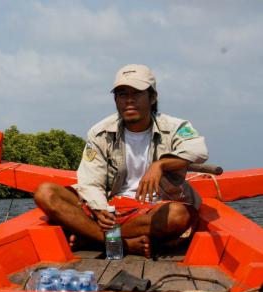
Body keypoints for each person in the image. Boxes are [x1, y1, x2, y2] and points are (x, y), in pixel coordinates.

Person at [34, 64, 208, 258]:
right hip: (111, 206)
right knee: (45, 193)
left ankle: (92, 237)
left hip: (152, 211)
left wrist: (160, 164)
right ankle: (122, 244)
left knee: (178, 216)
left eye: (137, 93)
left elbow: (198, 151)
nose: (129, 100)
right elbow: (90, 182)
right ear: (116, 99)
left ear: (152, 97)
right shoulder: (100, 132)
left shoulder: (175, 127)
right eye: (122, 94)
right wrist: (99, 209)